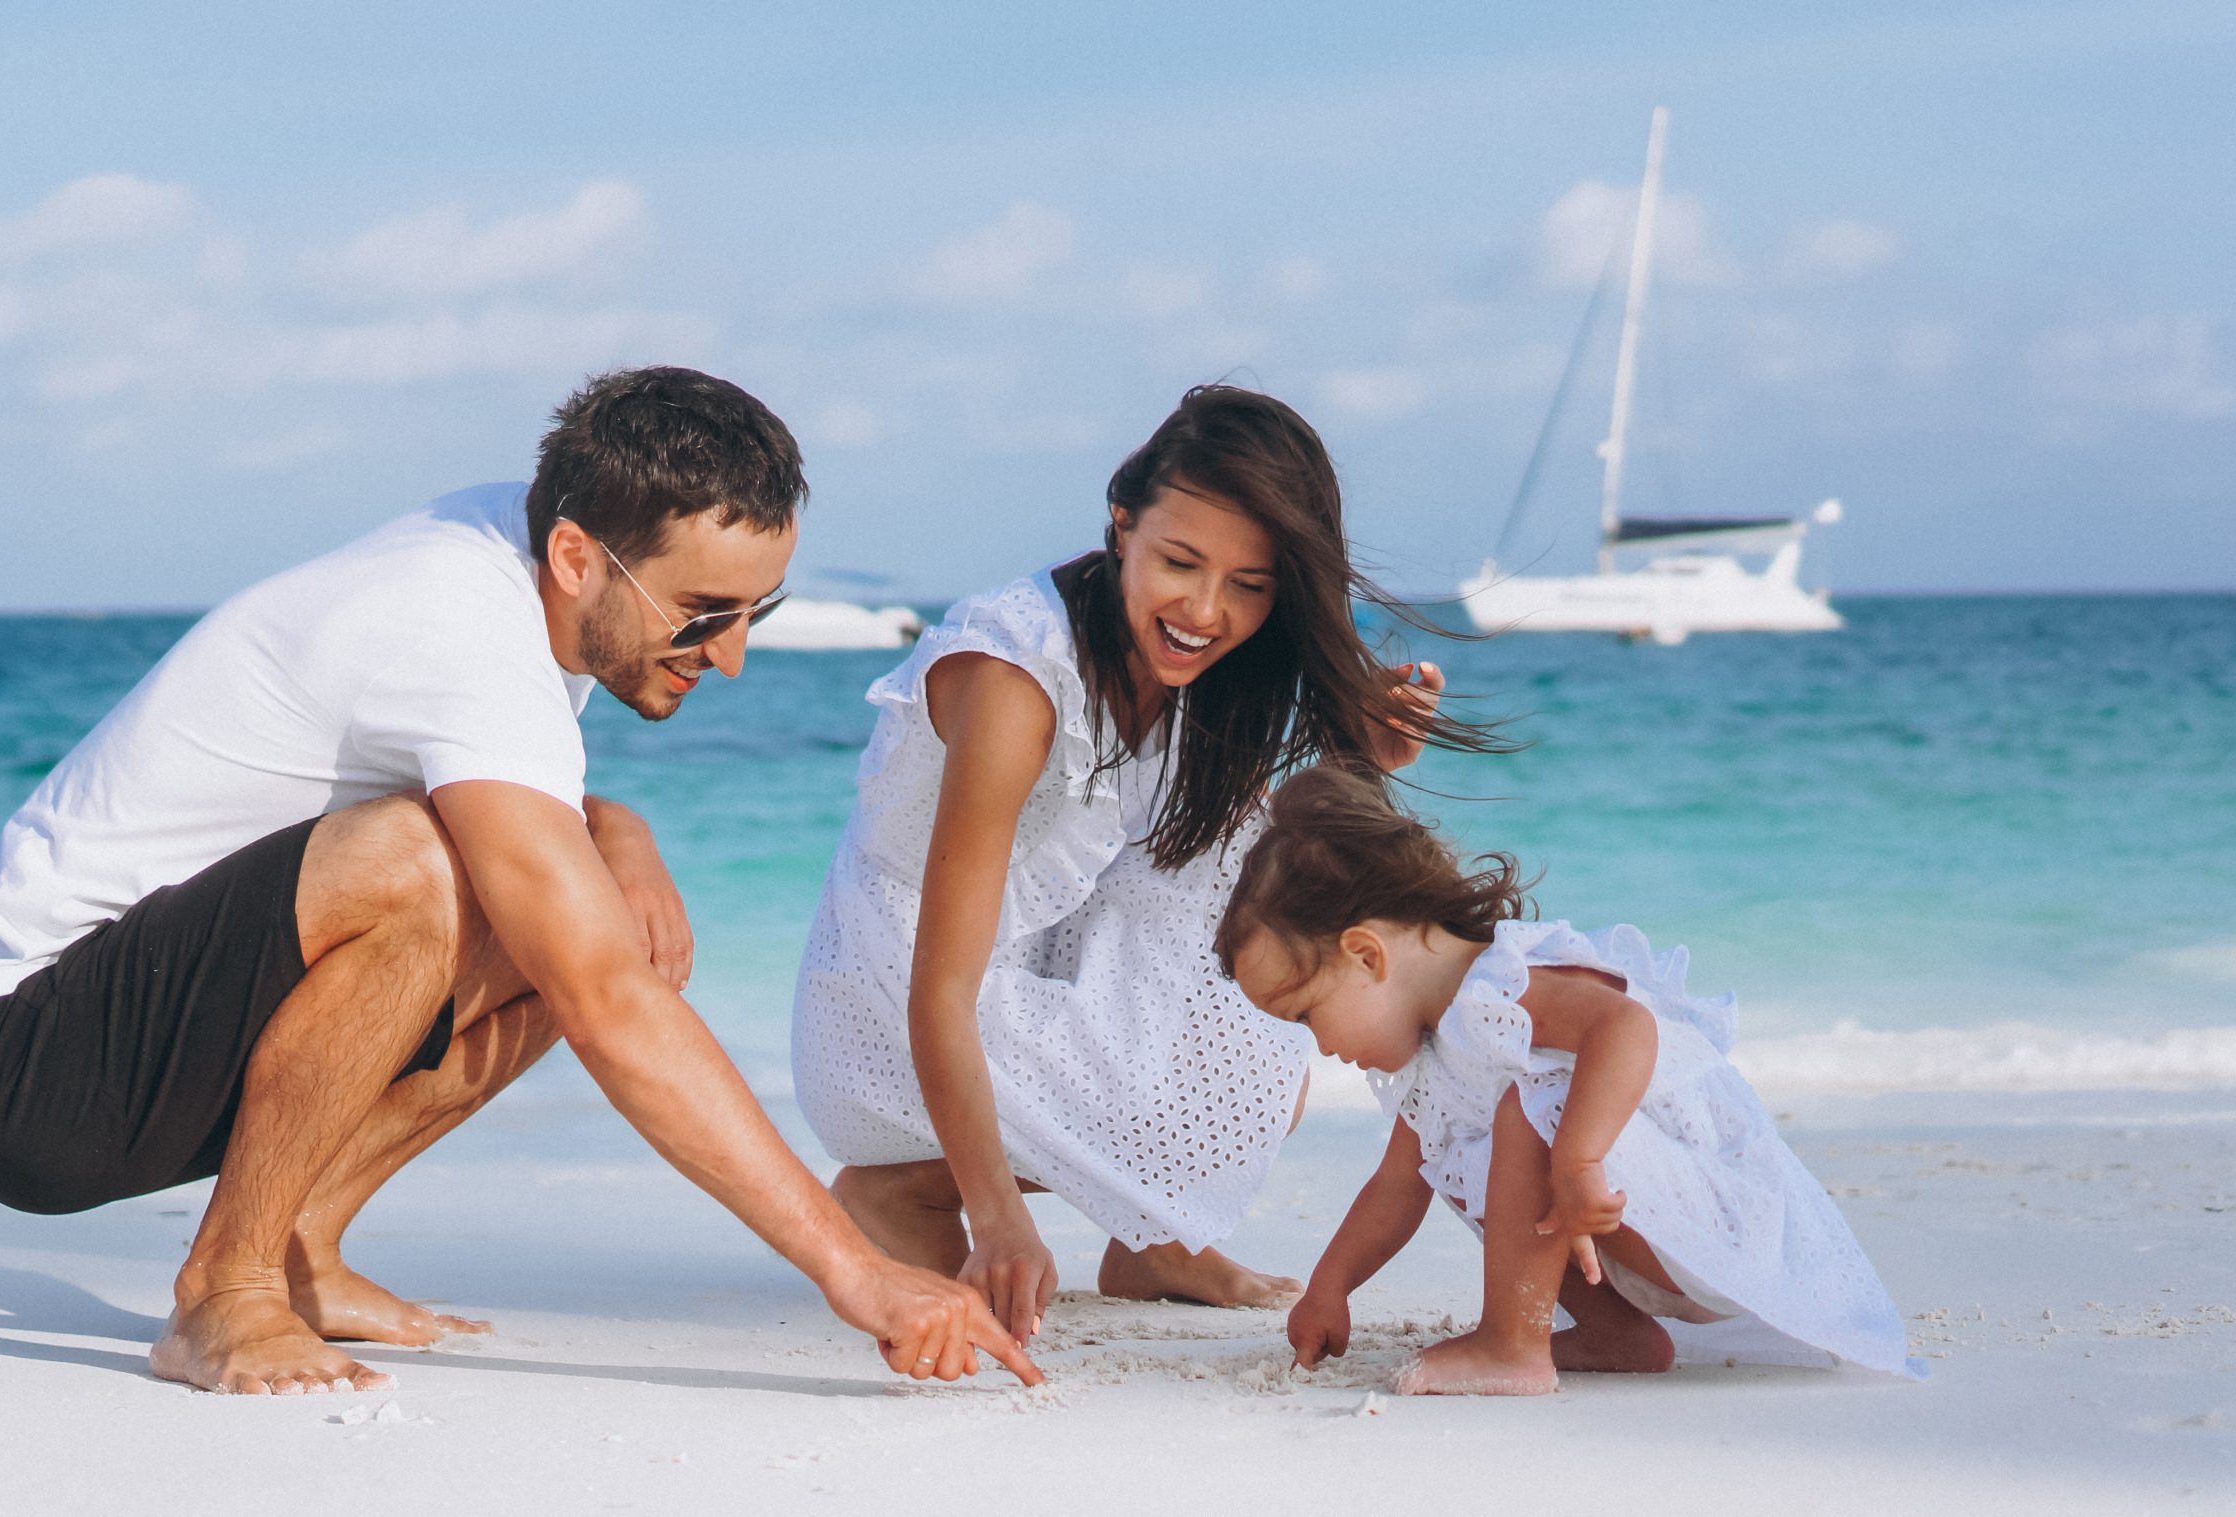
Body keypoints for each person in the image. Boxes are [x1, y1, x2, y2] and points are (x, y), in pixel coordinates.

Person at [0, 366, 1036, 1396]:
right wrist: (857, 1272)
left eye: (759, 610)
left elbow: (502, 797)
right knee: (446, 880)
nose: (732, 653)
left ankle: (301, 1240)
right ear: (574, 557)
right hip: (29, 1060)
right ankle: (226, 1284)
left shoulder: (530, 550)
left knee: (576, 902)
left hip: (150, 1023)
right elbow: (602, 998)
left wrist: (623, 828)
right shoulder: (458, 620)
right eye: (703, 613)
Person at [791, 385, 1497, 1345]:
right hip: (892, 1007)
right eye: (1180, 561)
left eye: (1250, 585)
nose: (1206, 610)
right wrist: (1001, 1222)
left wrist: (1361, 753)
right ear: (1122, 523)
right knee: (1218, 1063)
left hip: (1025, 953)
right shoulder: (1013, 682)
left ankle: (1149, 1238)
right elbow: (939, 988)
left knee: (1273, 972)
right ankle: (900, 1186)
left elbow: (1248, 868)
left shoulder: (1205, 669)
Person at [1216, 764, 1918, 1394]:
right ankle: (1620, 1335)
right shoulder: (1438, 1061)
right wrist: (1330, 1286)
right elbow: (1395, 1188)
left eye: (1307, 1014)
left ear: (1366, 954)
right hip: (1632, 1233)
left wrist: (1580, 1157)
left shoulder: (1502, 987)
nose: (1321, 1045)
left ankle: (1511, 1346)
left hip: (1715, 1216)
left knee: (1531, 1102)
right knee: (1458, 1148)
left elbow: (1624, 1026)